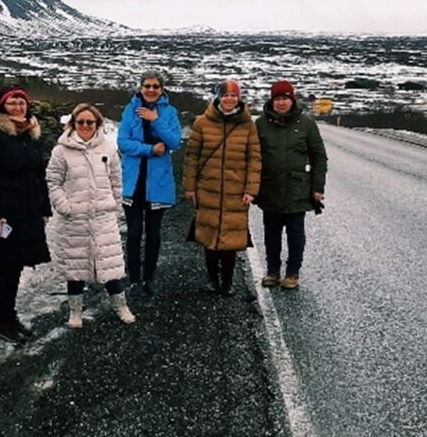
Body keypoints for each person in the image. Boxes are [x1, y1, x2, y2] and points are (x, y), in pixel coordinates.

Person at [46, 104, 136, 329]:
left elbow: (116, 179)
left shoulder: (108, 147)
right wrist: (64, 206)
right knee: (75, 268)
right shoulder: (61, 150)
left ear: (98, 124)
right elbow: (53, 181)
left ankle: (121, 306)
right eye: (81, 122)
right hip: (74, 218)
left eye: (90, 122)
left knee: (111, 265)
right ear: (73, 124)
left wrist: (115, 205)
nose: (85, 126)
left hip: (103, 217)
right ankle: (75, 312)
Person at [0, 85, 52, 343]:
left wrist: (44, 208)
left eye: (21, 103)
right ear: (1, 106)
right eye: (12, 103)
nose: (18, 107)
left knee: (16, 266)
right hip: (4, 214)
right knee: (2, 267)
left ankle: (11, 316)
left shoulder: (30, 135)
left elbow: (39, 174)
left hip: (28, 211)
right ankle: (3, 321)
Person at [183, 79, 261, 296]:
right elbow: (192, 157)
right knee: (209, 238)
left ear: (239, 98)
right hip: (208, 188)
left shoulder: (248, 125)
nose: (229, 99)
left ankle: (227, 282)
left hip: (236, 191)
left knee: (231, 240)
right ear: (218, 97)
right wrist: (190, 187)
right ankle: (212, 279)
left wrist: (251, 190)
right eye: (225, 95)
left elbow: (254, 159)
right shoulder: (202, 123)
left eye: (233, 95)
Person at [255, 80, 328, 290]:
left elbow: (319, 156)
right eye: (277, 98)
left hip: (298, 189)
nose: (281, 103)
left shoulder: (306, 123)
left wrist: (318, 187)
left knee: (296, 234)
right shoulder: (260, 124)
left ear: (292, 99)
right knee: (271, 234)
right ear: (272, 100)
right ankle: (273, 272)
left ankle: (293, 273)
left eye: (285, 98)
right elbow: (252, 157)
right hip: (270, 188)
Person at [117, 70, 182, 297]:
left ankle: (149, 278)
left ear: (161, 89)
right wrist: (150, 150)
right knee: (134, 233)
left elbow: (175, 142)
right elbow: (123, 143)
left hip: (158, 184)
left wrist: (156, 122)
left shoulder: (170, 112)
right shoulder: (129, 110)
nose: (151, 90)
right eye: (147, 86)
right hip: (134, 181)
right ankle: (134, 279)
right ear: (141, 87)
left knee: (154, 233)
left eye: (156, 86)